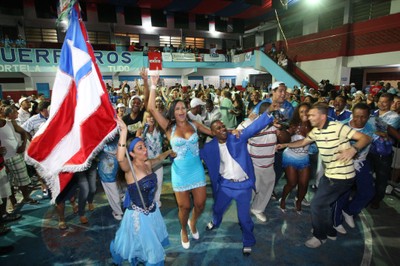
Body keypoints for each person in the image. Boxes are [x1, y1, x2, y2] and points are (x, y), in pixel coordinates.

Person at [277, 103, 371, 248]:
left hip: (342, 177)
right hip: (330, 174)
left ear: (322, 116)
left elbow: (365, 138)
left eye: (312, 115)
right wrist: (285, 145)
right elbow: (303, 142)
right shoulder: (316, 131)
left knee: (316, 205)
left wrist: (353, 149)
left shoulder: (337, 127)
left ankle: (319, 236)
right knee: (325, 205)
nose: (309, 117)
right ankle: (329, 231)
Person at [148, 73, 212, 249]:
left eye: (183, 108)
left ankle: (193, 222)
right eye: (177, 109)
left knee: (200, 204)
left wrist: (238, 130)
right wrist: (153, 85)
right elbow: (152, 108)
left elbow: (213, 132)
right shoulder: (169, 127)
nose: (181, 111)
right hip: (180, 173)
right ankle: (184, 229)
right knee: (184, 207)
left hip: (196, 169)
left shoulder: (194, 124)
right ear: (173, 113)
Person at [200, 112, 274, 255]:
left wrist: (269, 114)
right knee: (217, 209)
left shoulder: (237, 138)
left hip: (243, 186)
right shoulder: (210, 147)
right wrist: (176, 155)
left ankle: (248, 241)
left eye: (223, 126)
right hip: (225, 186)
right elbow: (194, 155)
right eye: (218, 128)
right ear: (213, 133)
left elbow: (254, 128)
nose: (222, 129)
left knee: (244, 218)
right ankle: (215, 222)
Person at [110, 117, 173, 265]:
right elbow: (120, 158)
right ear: (131, 153)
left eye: (144, 146)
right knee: (151, 251)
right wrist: (124, 132)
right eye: (140, 148)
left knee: (142, 242)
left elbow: (159, 157)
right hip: (139, 215)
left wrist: (169, 151)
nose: (145, 150)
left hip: (152, 211)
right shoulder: (129, 169)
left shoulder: (148, 164)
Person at [237, 102, 289, 222]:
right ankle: (243, 211)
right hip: (253, 165)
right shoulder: (251, 124)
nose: (274, 116)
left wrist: (281, 130)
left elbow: (286, 139)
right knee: (250, 191)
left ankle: (257, 209)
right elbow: (237, 133)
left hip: (269, 164)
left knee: (266, 189)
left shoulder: (275, 126)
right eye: (271, 113)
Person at [332, 103, 376, 234]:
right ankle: (336, 221)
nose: (359, 120)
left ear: (369, 117)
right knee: (342, 194)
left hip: (362, 162)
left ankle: (349, 211)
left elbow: (383, 130)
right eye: (357, 116)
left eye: (363, 117)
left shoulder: (372, 126)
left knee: (368, 192)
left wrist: (383, 134)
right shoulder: (343, 126)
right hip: (344, 163)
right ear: (352, 114)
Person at [279, 102, 312, 214]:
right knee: (292, 183)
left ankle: (299, 201)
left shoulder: (314, 126)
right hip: (290, 156)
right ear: (298, 113)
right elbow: (284, 137)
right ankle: (283, 199)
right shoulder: (293, 125)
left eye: (306, 111)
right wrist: (281, 132)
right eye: (301, 111)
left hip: (304, 158)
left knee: (304, 184)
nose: (304, 114)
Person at [136, 111, 165, 207]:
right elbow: (137, 145)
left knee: (159, 181)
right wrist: (142, 136)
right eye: (149, 117)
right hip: (146, 161)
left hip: (158, 160)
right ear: (145, 118)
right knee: (147, 182)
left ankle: (157, 200)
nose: (151, 119)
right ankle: (147, 200)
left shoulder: (159, 128)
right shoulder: (141, 129)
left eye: (153, 117)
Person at [97, 138, 123, 220]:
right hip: (107, 172)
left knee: (117, 191)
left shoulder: (114, 138)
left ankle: (118, 207)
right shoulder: (101, 142)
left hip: (116, 169)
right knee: (114, 193)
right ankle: (117, 211)